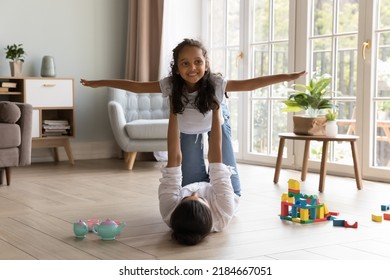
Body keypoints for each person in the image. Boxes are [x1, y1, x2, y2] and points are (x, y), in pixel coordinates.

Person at [80, 38, 306, 197]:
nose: (192, 67)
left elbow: (249, 85)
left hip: (216, 122)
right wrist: (100, 82)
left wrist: (287, 76)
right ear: (177, 68)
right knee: (191, 188)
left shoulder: (216, 83)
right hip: (188, 130)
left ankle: (223, 184)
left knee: (232, 189)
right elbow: (137, 87)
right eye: (185, 63)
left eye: (198, 61)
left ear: (206, 64)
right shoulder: (170, 85)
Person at [158, 100, 238, 245]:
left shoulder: (169, 211)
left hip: (191, 182)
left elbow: (174, 159)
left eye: (186, 198)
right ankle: (221, 106)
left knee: (188, 126)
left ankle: (191, 100)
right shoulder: (223, 211)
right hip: (224, 190)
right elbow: (216, 159)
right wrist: (215, 110)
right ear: (210, 213)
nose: (195, 193)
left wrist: (173, 111)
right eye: (201, 199)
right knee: (221, 131)